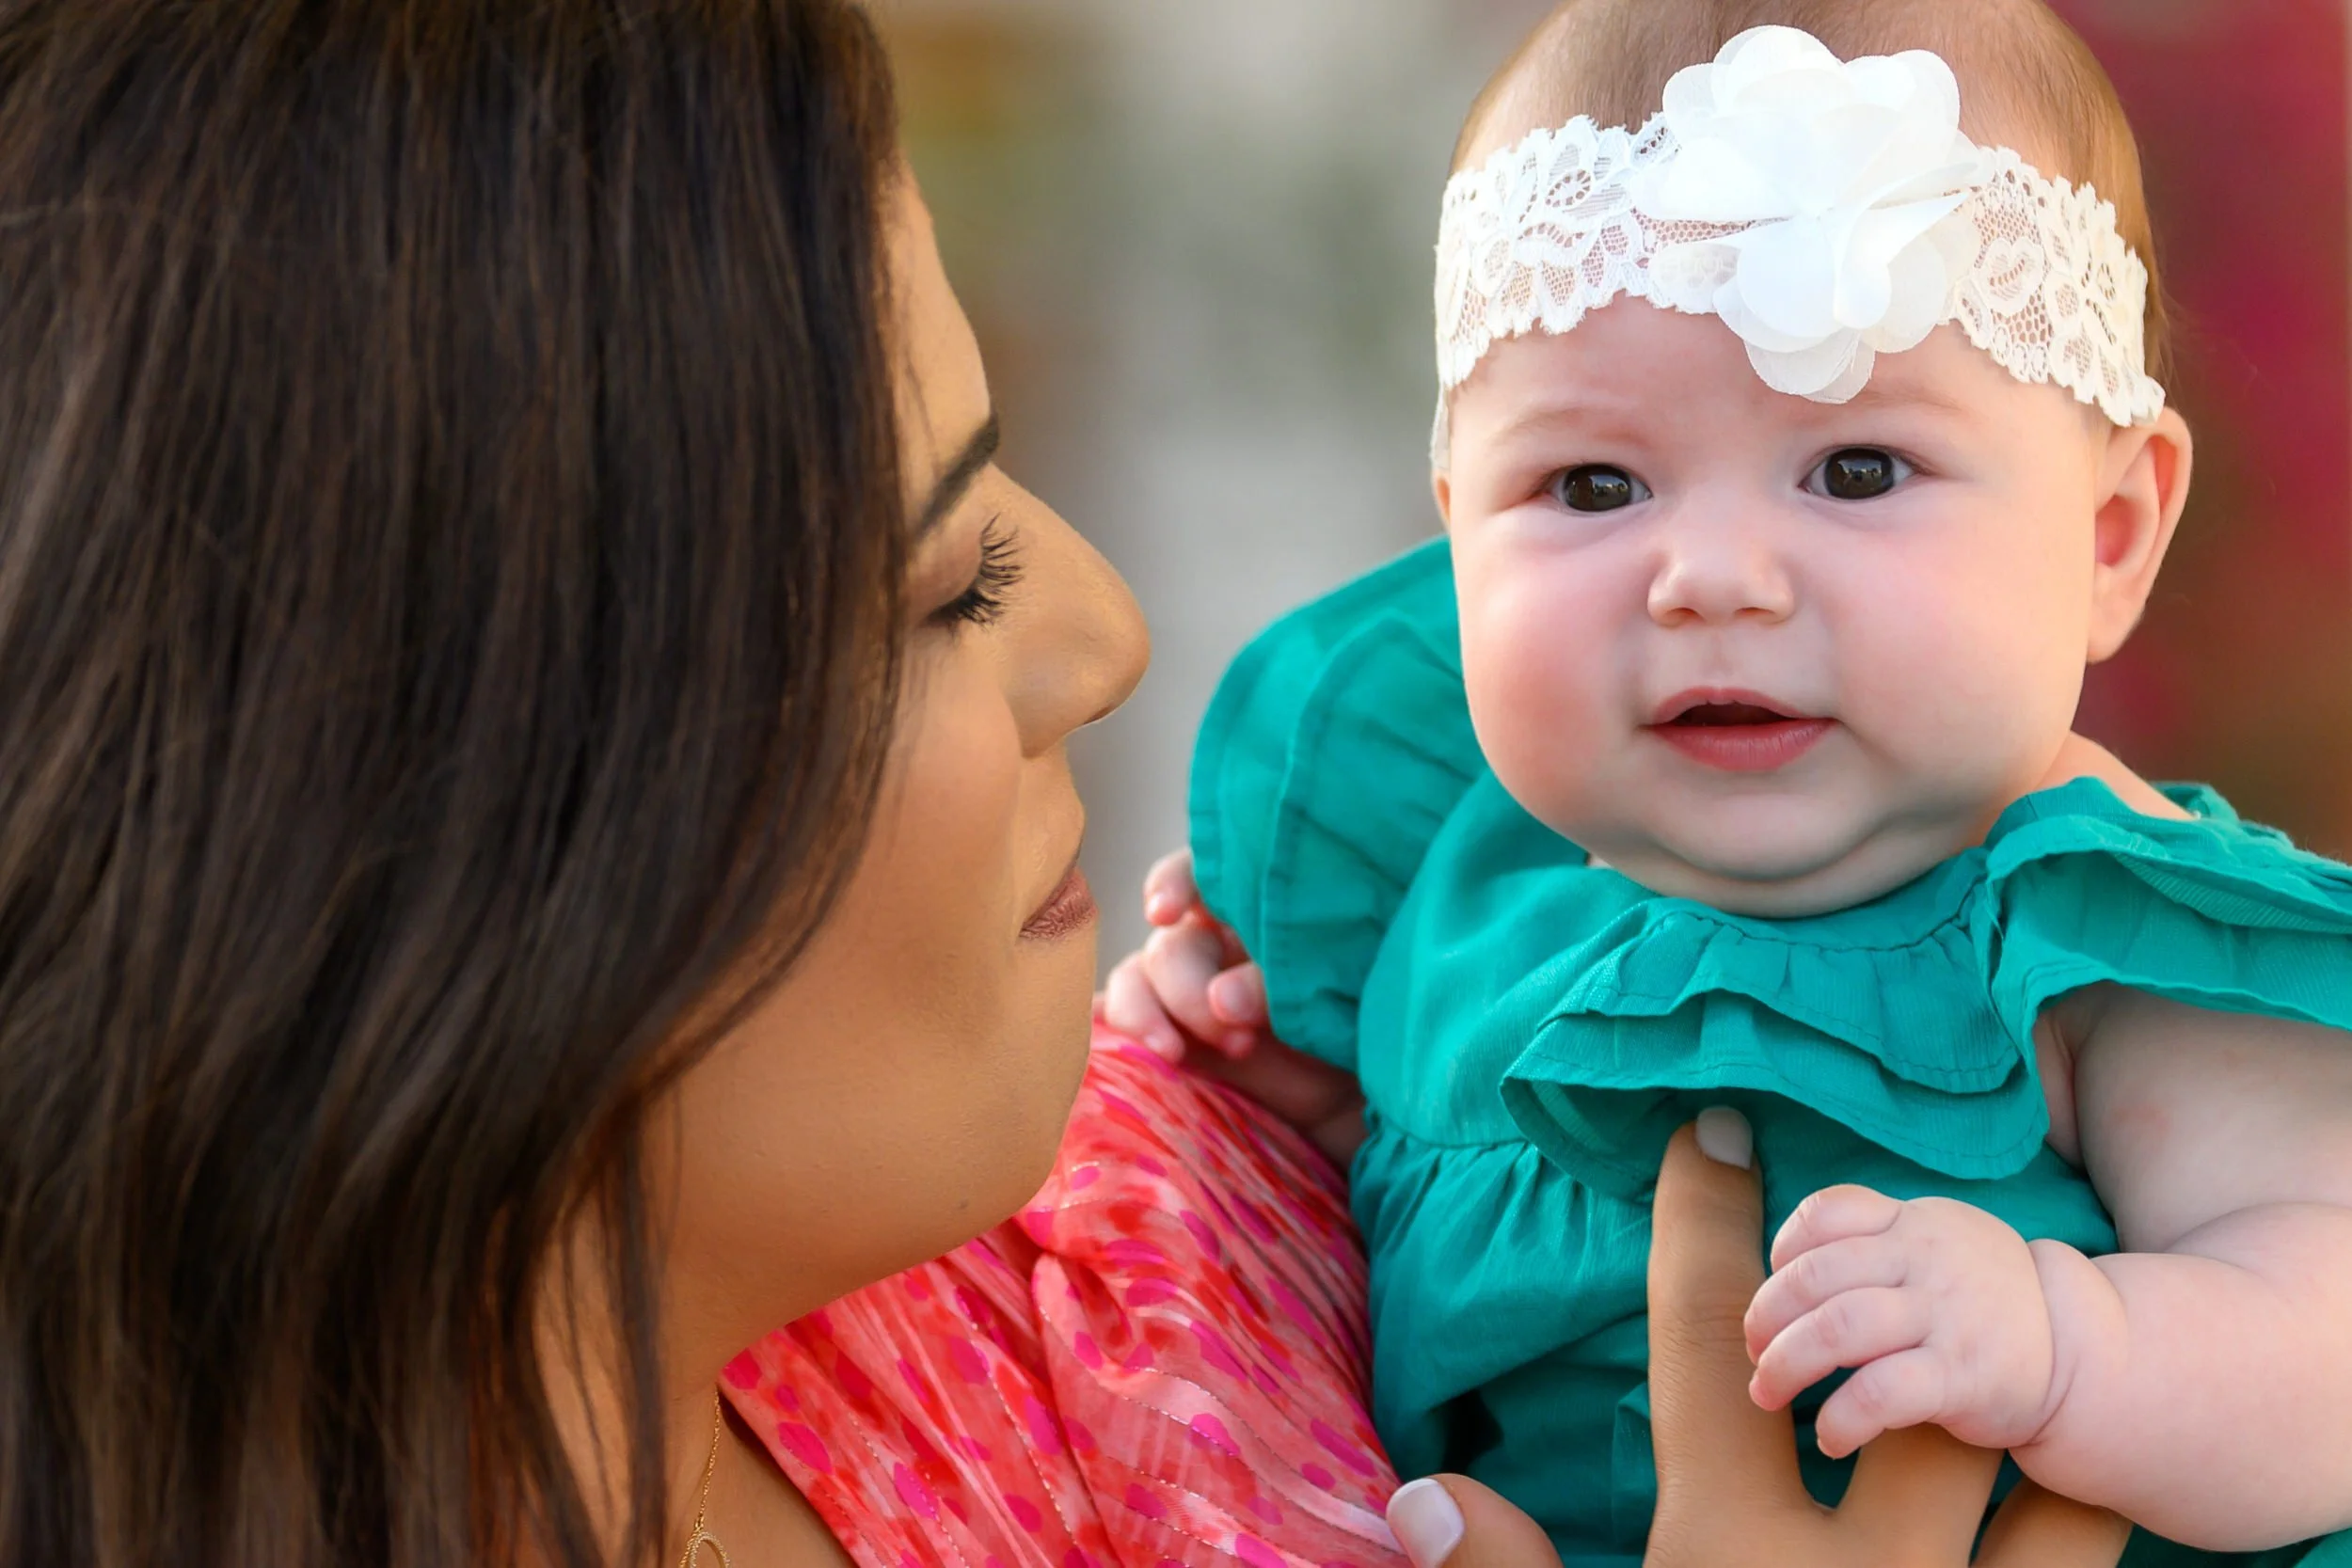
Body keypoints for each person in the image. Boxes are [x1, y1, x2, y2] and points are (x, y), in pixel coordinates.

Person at [0, 3, 2132, 1567]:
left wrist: (1356, 1126)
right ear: (437, 806)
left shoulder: (1190, 1207)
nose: (1102, 636)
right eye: (943, 578)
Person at [1105, 2, 2352, 1565]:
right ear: (1454, 518)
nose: (1710, 576)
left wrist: (2070, 1339)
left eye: (1854, 470)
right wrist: (1324, 1116)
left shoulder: (2092, 932)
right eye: (1592, 485)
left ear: (2108, 536)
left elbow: (2329, 1328)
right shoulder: (1461, 876)